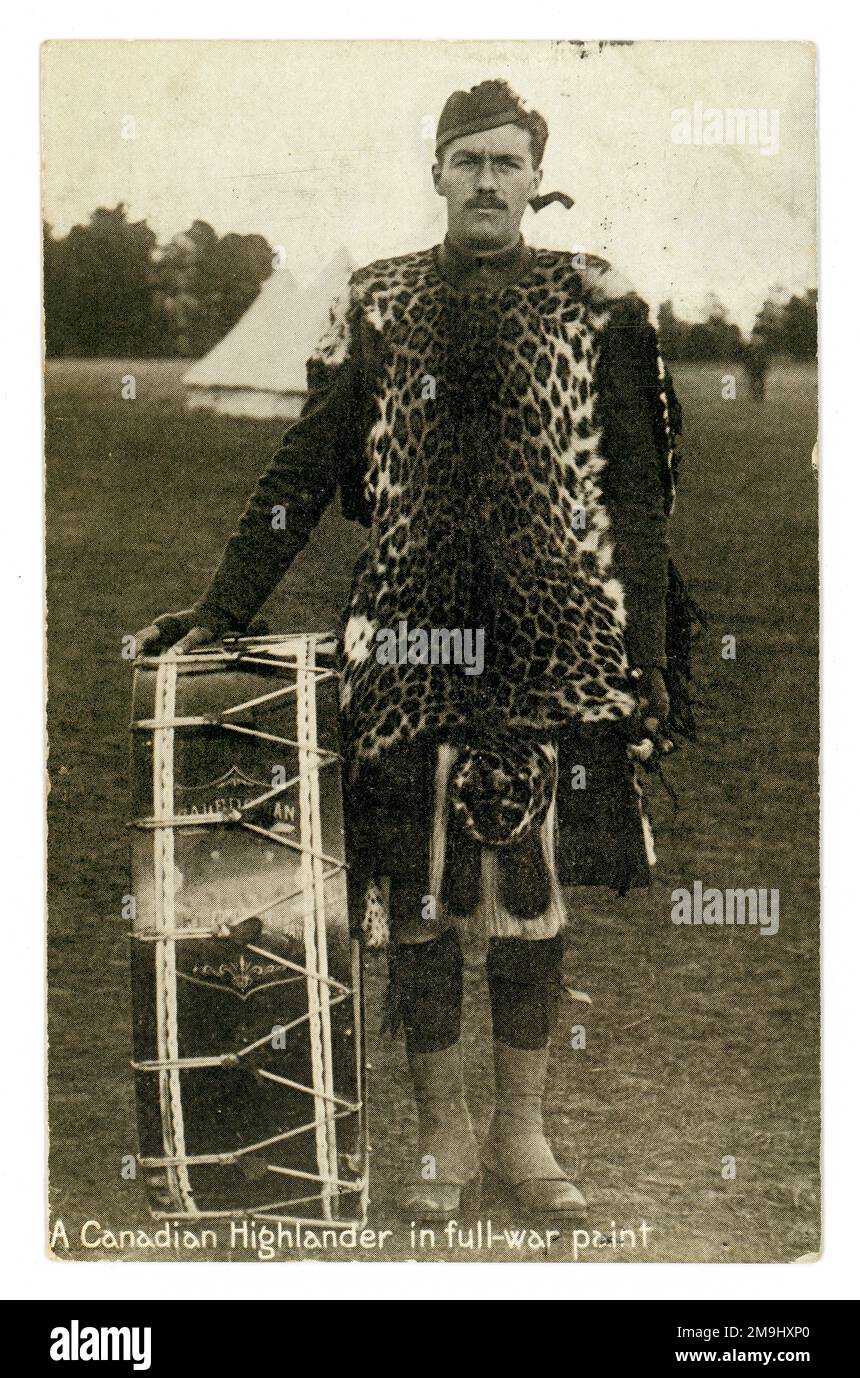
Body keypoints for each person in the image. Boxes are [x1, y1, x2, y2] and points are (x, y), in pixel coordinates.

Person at [136, 79, 684, 1221]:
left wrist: (648, 653)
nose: (487, 181)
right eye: (466, 161)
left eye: (508, 162)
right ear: (435, 172)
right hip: (406, 647)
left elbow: (636, 492)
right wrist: (223, 606)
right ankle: (441, 1133)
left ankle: (523, 1137)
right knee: (418, 900)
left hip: (559, 648)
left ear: (538, 177)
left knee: (529, 902)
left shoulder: (596, 303)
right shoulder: (378, 303)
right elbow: (303, 469)